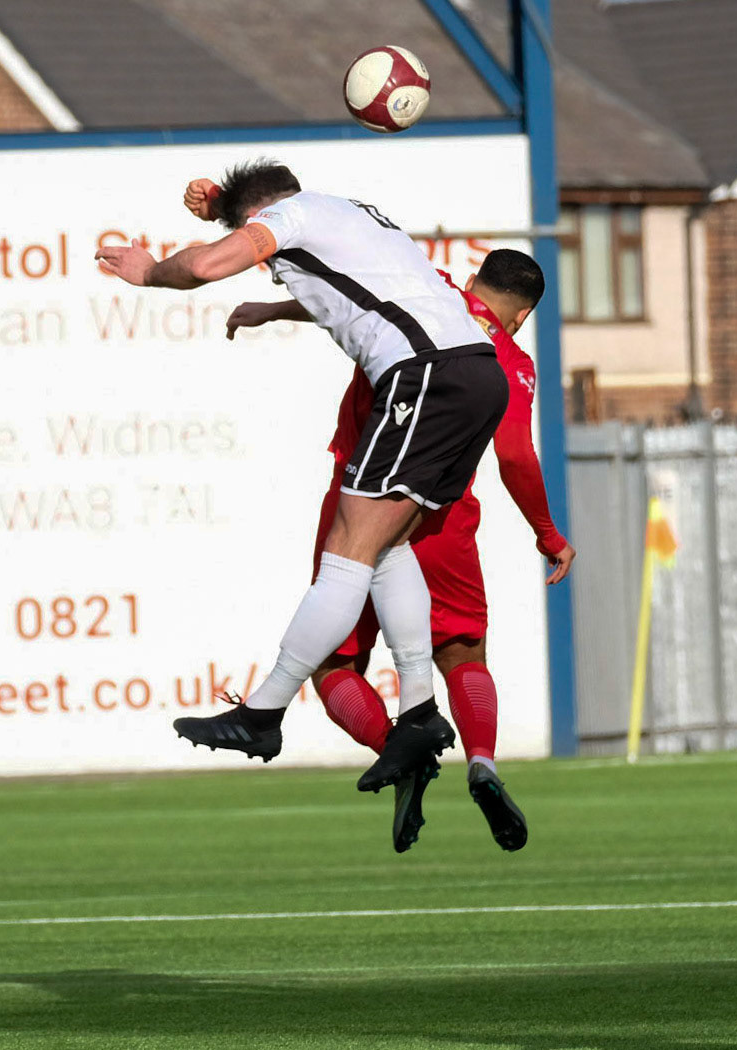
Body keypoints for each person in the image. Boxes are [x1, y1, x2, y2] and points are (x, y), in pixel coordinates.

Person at [97, 159, 505, 791]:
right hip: (477, 375)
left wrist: (150, 271)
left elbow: (207, 265)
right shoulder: (356, 214)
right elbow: (355, 296)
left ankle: (264, 709)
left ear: (258, 216)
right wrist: (273, 307)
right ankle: (420, 709)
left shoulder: (287, 217)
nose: (263, 258)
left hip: (424, 375)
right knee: (386, 546)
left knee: (345, 554)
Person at [225, 249, 575, 854]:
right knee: (463, 654)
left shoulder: (429, 294)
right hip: (442, 516)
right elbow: (515, 456)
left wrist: (272, 310)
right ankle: (483, 764)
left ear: (469, 281)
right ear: (519, 319)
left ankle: (396, 748)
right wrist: (548, 535)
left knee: (334, 664)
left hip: (358, 504)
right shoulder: (511, 361)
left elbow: (347, 301)